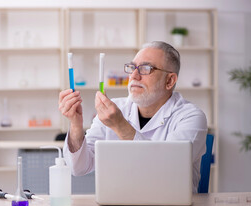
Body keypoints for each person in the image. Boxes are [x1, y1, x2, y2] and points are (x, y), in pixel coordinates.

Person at [58, 41, 207, 193]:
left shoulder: (191, 117)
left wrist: (120, 126)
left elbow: (165, 170)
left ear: (169, 81)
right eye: (132, 68)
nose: (134, 76)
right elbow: (78, 167)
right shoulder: (114, 109)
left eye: (145, 69)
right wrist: (76, 125)